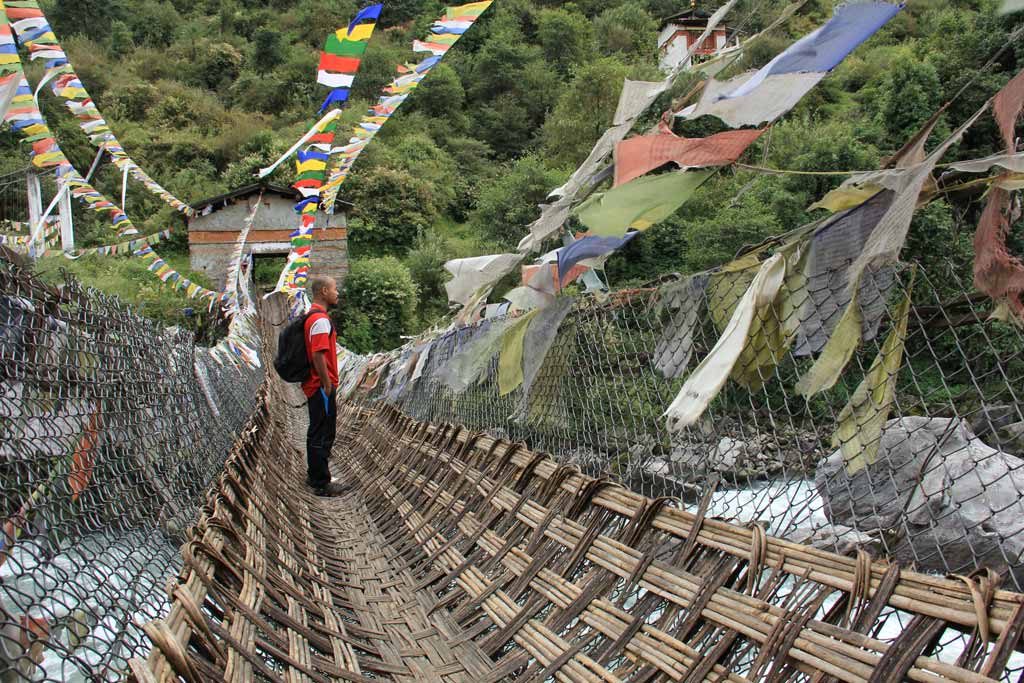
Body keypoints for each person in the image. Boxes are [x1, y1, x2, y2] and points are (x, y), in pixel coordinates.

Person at [302, 275, 350, 496]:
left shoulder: (311, 317)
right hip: (321, 386)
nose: (337, 292)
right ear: (323, 292)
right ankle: (322, 483)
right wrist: (327, 384)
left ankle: (316, 475)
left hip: (316, 385)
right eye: (334, 289)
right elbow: (318, 354)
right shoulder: (320, 320)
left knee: (317, 430)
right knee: (323, 432)